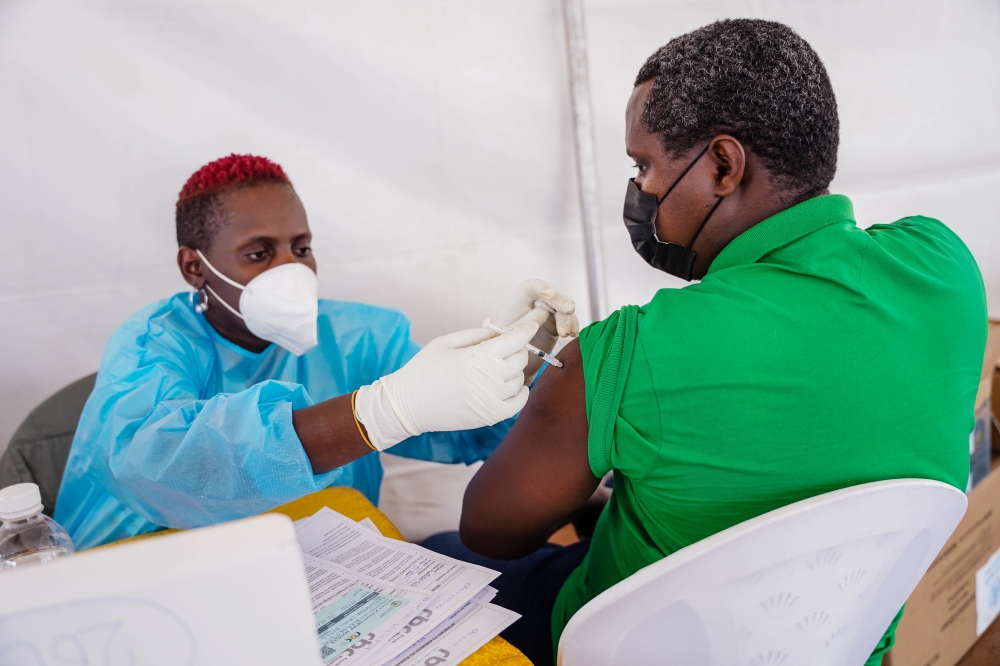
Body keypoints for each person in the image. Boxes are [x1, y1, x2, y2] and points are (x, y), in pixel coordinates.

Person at [423, 18, 987, 666]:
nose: (639, 193)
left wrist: (559, 400)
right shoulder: (945, 270)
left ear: (723, 165)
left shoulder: (630, 351)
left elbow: (492, 529)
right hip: (839, 644)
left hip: (622, 648)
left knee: (443, 550)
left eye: (645, 166)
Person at [54, 154, 578, 551]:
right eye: (259, 254)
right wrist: (377, 413)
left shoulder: (357, 337)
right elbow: (156, 463)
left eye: (300, 248)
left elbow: (466, 431)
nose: (292, 270)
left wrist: (517, 368)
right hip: (155, 571)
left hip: (320, 569)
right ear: (195, 267)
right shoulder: (154, 345)